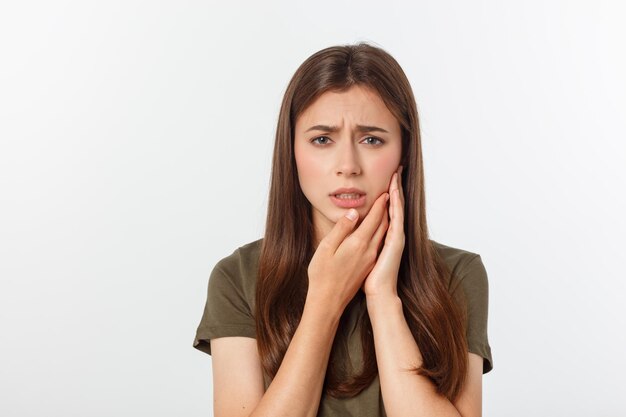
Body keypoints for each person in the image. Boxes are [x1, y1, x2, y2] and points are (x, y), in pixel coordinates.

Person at [193, 42, 493, 417]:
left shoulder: (457, 275)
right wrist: (325, 300)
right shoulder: (237, 277)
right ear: (292, 152)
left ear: (405, 151)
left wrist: (383, 297)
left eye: (372, 139)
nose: (348, 165)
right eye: (322, 139)